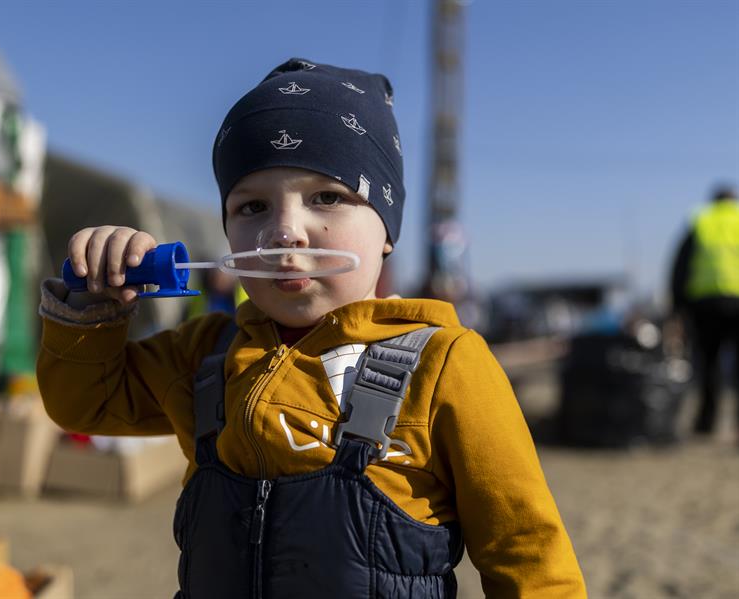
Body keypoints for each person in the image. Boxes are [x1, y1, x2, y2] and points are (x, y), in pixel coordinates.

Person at [36, 58, 585, 598]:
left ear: (387, 231)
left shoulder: (445, 365)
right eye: (252, 206)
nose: (284, 232)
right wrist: (93, 304)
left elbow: (528, 553)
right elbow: (84, 404)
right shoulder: (205, 354)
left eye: (327, 197)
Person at [670, 184, 739, 435]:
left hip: (705, 305)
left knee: (708, 366)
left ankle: (706, 423)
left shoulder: (701, 220)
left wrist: (677, 305)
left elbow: (680, 265)